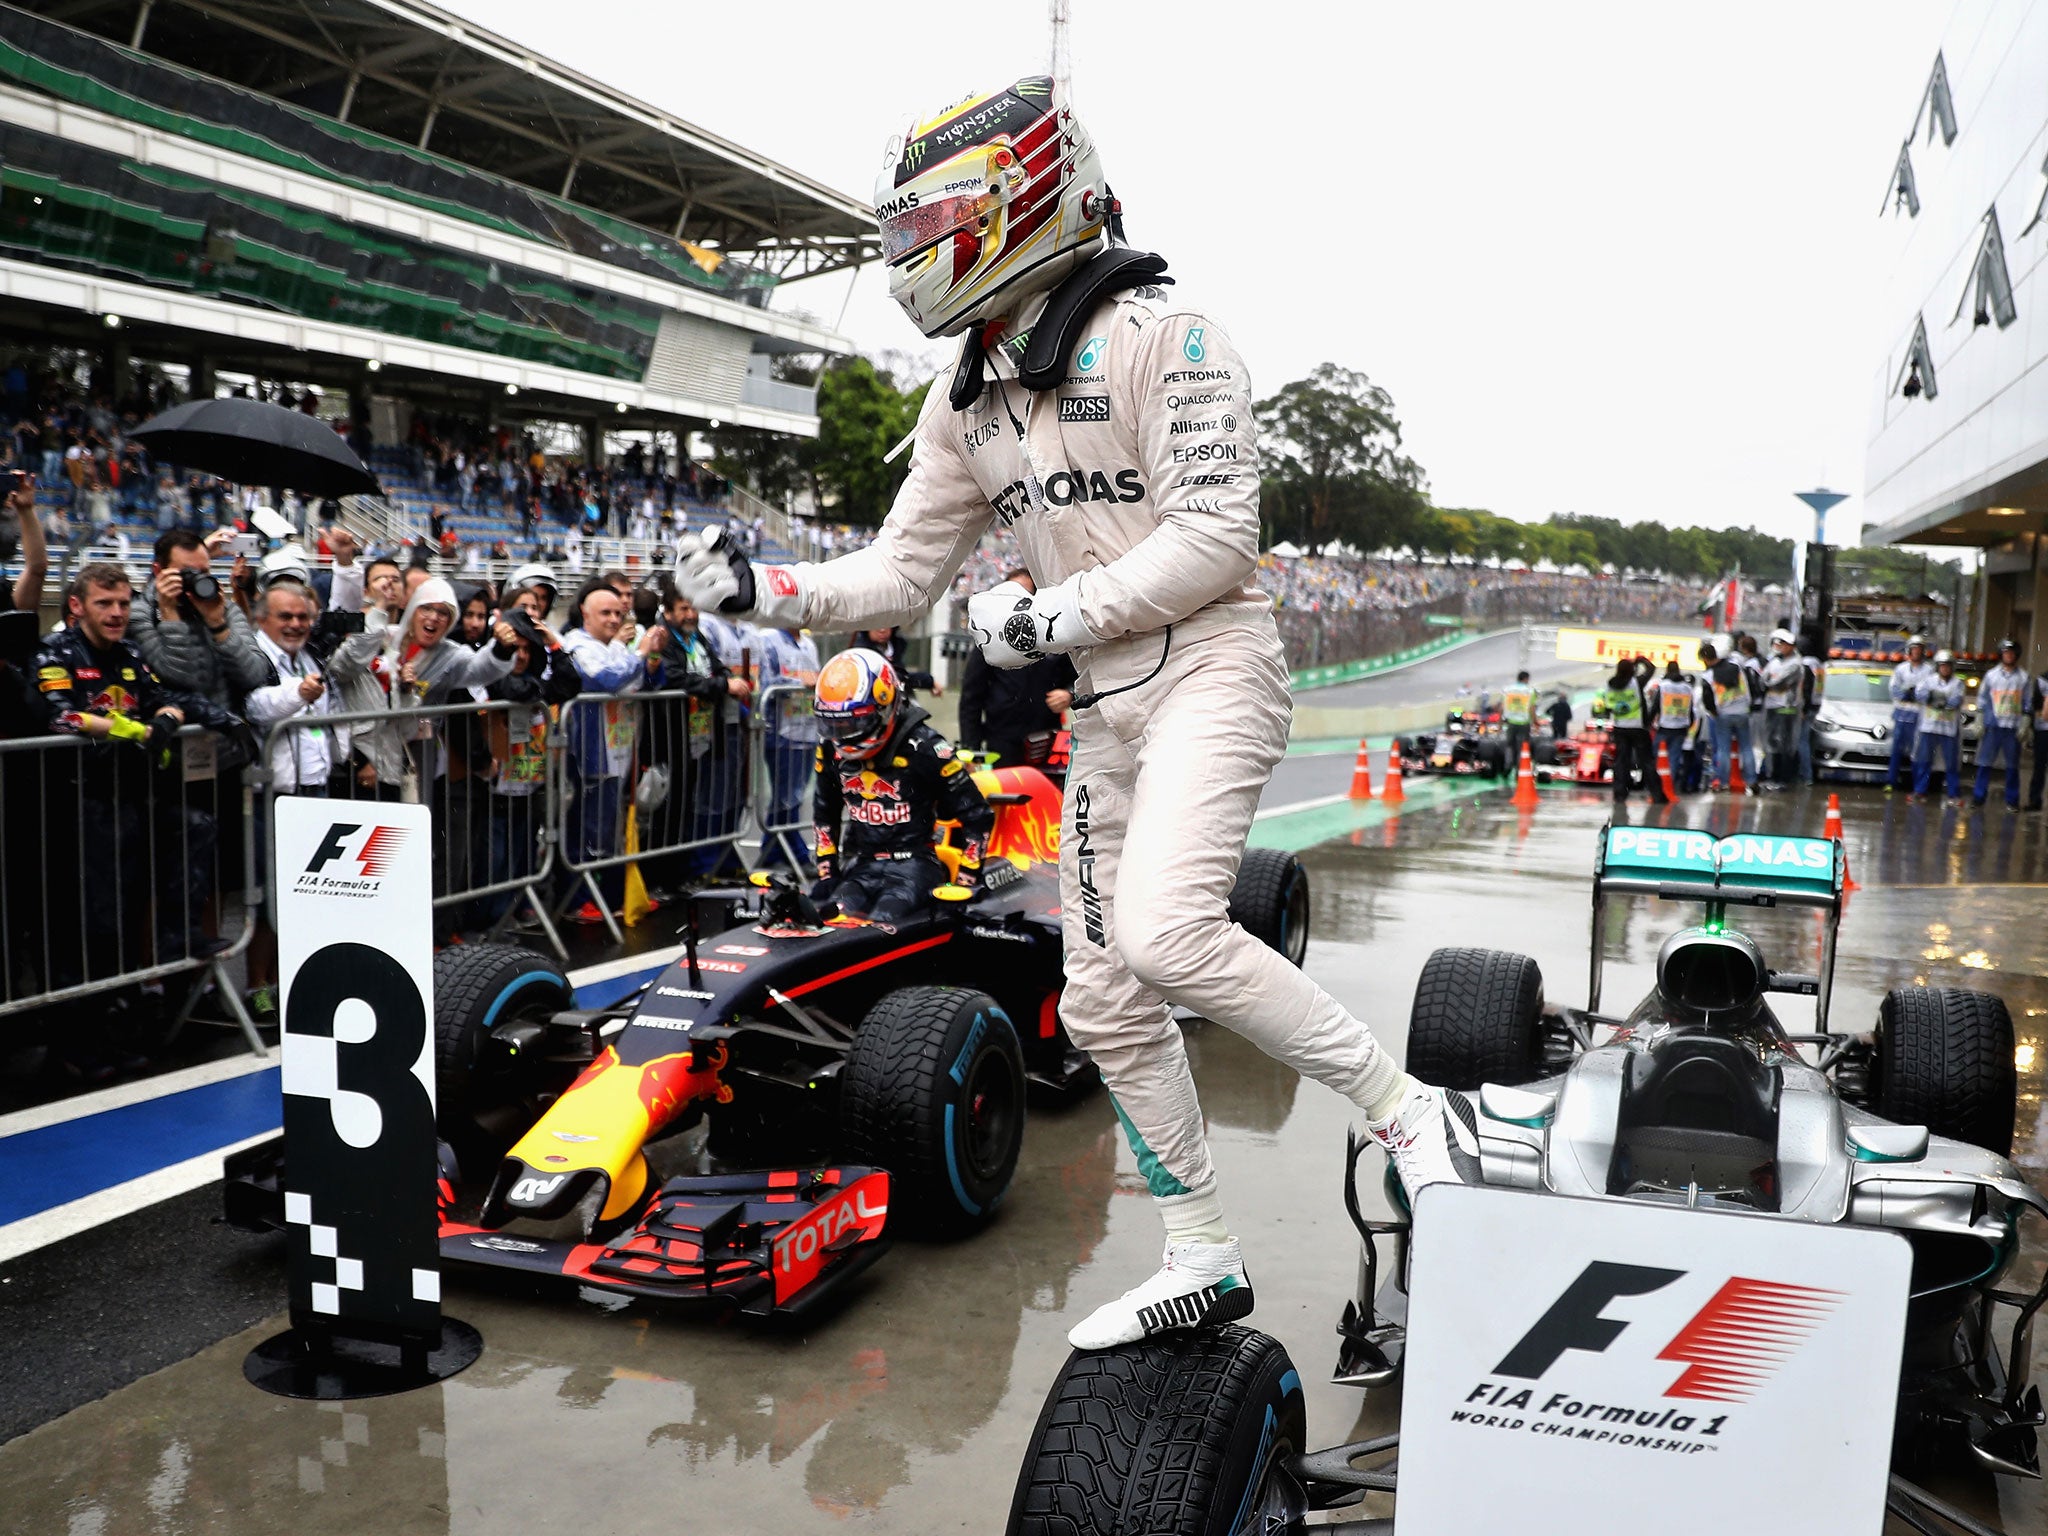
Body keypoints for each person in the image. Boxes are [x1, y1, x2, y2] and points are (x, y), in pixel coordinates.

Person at [676, 76, 1487, 1350]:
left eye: (937, 216)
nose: (911, 247)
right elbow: (899, 573)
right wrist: (766, 586)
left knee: (1165, 936)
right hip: (1103, 710)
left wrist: (1043, 618)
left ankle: (1407, 1112)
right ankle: (1204, 1253)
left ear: (1026, 201)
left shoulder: (1175, 336)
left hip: (1211, 667)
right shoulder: (963, 397)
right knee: (1102, 998)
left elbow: (1219, 538)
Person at [811, 649, 991, 919]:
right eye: (835, 725)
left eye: (854, 722)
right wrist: (827, 872)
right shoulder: (829, 751)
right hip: (863, 865)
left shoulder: (926, 747)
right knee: (832, 918)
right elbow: (825, 813)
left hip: (915, 867)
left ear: (884, 706)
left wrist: (966, 881)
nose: (843, 736)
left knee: (883, 920)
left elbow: (977, 815)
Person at [558, 580, 663, 919]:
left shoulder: (618, 645)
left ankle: (607, 896)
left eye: (619, 613)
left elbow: (637, 681)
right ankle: (579, 900)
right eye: (606, 613)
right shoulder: (576, 644)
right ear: (585, 614)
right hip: (589, 755)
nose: (615, 619)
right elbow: (605, 679)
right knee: (587, 831)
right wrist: (641, 653)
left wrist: (647, 662)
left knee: (608, 832)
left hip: (619, 750)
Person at [958, 570, 1077, 771]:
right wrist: (971, 749)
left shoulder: (1053, 637)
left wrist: (1069, 694)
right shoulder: (987, 643)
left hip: (1047, 738)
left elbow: (1080, 678)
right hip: (1002, 741)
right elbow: (971, 698)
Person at [752, 617, 821, 869]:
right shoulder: (767, 640)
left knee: (795, 795)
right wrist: (799, 684)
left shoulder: (809, 645)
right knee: (785, 796)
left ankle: (772, 853)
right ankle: (796, 853)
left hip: (807, 730)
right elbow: (766, 684)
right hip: (782, 732)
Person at [1972, 639, 2027, 809]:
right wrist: (1979, 719)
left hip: (2012, 727)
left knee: (2012, 766)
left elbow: (2027, 702)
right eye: (2005, 653)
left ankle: (2012, 801)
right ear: (2001, 655)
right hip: (1993, 726)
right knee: (1985, 763)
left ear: (2016, 655)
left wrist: (2025, 722)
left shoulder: (2023, 677)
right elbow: (1982, 699)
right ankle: (1979, 798)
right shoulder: (1991, 676)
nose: (2008, 656)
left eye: (2011, 653)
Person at [1699, 641, 1760, 793]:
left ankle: (1723, 782)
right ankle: (1752, 781)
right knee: (1746, 748)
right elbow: (1750, 685)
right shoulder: (1737, 667)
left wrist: (1714, 712)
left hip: (1723, 714)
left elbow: (1707, 699)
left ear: (1705, 659)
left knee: (1723, 750)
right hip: (1742, 712)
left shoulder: (1708, 675)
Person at [1604, 656, 1663, 805]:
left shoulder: (1611, 684)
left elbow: (1607, 706)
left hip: (1619, 727)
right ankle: (1656, 794)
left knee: (1621, 762)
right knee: (1646, 762)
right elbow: (1651, 669)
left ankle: (1619, 794)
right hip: (1638, 727)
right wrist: (1640, 660)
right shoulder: (1636, 682)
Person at [1911, 651, 1967, 802]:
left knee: (1951, 763)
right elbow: (1920, 696)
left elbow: (1955, 701)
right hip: (1929, 727)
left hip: (1948, 729)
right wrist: (1937, 699)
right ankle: (1920, 791)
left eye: (1948, 666)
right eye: (1942, 666)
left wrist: (1936, 699)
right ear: (1937, 667)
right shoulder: (1928, 680)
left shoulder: (1958, 683)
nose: (1945, 669)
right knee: (1924, 760)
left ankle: (1953, 794)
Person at [1759, 629, 1805, 790]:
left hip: (1786, 707)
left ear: (1791, 646)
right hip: (1771, 705)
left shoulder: (1795, 664)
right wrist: (1771, 681)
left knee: (1784, 742)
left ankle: (1783, 779)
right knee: (1771, 742)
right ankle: (1773, 776)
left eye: (1783, 644)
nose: (1780, 647)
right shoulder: (1775, 661)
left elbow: (1776, 682)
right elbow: (1763, 679)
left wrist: (1772, 681)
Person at [1887, 636, 1933, 792]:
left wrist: (1917, 695)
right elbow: (1894, 688)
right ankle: (1891, 782)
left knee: (1918, 753)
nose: (1916, 652)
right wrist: (1905, 694)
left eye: (1919, 649)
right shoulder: (1901, 669)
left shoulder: (1929, 670)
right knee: (1896, 752)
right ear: (1909, 650)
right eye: (1914, 649)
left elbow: (1929, 690)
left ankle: (1917, 786)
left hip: (1919, 718)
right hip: (1901, 716)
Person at [849, 625, 940, 696]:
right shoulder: (860, 653)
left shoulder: (897, 646)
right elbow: (892, 679)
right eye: (875, 624)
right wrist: (927, 680)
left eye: (887, 624)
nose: (882, 630)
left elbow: (901, 678)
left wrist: (928, 681)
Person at [1647, 659, 1694, 793]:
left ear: (1667, 671)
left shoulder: (1664, 686)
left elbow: (1655, 706)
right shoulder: (1687, 688)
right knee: (1674, 758)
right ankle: (1669, 786)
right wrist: (1688, 724)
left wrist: (1649, 722)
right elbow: (1690, 709)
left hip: (1664, 726)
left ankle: (1656, 785)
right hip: (1680, 728)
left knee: (1657, 756)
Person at [1498, 670, 1535, 762]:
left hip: (1511, 722)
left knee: (1509, 745)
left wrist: (1500, 724)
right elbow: (1532, 708)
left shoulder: (1507, 690)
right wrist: (1535, 721)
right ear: (1526, 679)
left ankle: (1508, 764)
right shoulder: (1530, 691)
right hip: (1524, 723)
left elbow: (1501, 708)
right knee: (1523, 746)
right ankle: (1519, 766)